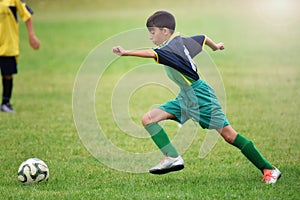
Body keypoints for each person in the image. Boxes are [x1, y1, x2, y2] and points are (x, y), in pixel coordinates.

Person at [112, 10, 281, 184]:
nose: (150, 37)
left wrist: (126, 52)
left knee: (229, 135)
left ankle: (269, 169)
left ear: (165, 31)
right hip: (185, 96)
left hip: (200, 95)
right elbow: (202, 38)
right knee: (148, 119)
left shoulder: (170, 49)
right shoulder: (179, 41)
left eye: (152, 32)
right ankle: (172, 157)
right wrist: (215, 46)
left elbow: (151, 53)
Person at [0, 0, 40, 112]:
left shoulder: (13, 1)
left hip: (8, 43)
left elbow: (26, 15)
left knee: (7, 74)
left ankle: (5, 103)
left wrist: (31, 35)